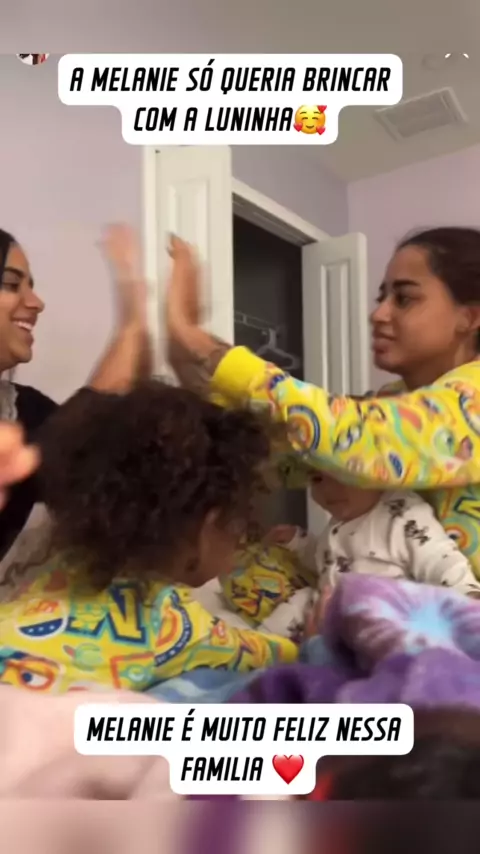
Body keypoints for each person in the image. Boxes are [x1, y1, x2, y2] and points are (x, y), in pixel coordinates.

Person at [166, 228, 480, 578]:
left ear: (469, 317)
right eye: (382, 297)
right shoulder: (392, 400)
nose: (378, 314)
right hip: (397, 603)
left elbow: (357, 439)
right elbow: (290, 453)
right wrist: (194, 372)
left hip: (456, 610)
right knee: (243, 572)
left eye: (404, 299)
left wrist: (198, 341)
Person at [0, 381, 297, 693]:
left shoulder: (61, 562)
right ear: (209, 527)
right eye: (242, 521)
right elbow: (279, 654)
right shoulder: (173, 625)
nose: (243, 539)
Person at [0, 224, 150, 560]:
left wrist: (134, 324)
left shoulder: (28, 410)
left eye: (31, 286)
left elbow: (90, 436)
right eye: (11, 284)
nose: (36, 303)